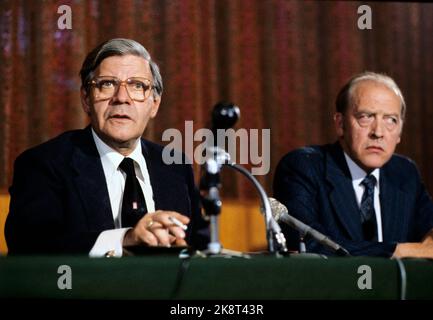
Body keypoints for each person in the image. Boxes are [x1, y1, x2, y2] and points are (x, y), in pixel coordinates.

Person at [5, 38, 209, 256]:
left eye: (137, 86)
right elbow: (29, 244)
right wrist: (126, 239)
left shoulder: (174, 166)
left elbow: (199, 246)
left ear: (154, 105)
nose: (122, 98)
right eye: (107, 84)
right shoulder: (45, 164)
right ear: (86, 99)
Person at [273, 71, 433, 258]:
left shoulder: (405, 173)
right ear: (341, 124)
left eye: (391, 120)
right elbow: (306, 244)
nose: (378, 132)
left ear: (399, 133)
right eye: (366, 117)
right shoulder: (304, 167)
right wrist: (399, 250)